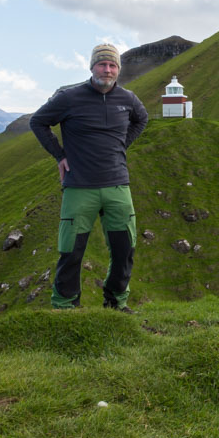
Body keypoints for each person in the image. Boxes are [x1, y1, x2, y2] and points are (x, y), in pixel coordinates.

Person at [29, 43, 148, 311]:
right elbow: (37, 122)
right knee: (71, 251)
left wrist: (121, 145)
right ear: (92, 66)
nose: (107, 70)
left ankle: (116, 302)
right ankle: (65, 306)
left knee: (124, 249)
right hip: (79, 187)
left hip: (117, 185)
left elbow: (142, 119)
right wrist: (59, 155)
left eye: (112, 65)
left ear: (118, 69)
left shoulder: (128, 99)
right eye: (102, 64)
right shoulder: (69, 97)